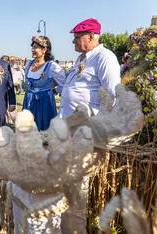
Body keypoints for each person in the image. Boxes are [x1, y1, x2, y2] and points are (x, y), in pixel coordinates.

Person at [58, 18, 121, 234]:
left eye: (77, 37)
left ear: (91, 37)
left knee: (75, 191)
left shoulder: (105, 58)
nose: (73, 41)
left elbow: (113, 98)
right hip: (69, 131)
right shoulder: (81, 58)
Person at [22, 36, 65, 131]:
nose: (32, 50)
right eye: (32, 47)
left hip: (44, 102)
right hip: (29, 100)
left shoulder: (52, 66)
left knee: (44, 130)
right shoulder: (29, 64)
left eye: (35, 47)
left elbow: (64, 85)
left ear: (44, 50)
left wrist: (53, 91)